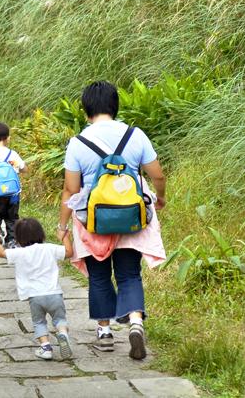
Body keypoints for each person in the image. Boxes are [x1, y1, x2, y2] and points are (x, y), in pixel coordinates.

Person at [58, 80, 167, 360]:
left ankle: (105, 333)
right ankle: (135, 323)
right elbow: (158, 175)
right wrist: (161, 197)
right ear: (116, 106)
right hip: (131, 215)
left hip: (94, 220)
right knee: (129, 273)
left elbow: (71, 189)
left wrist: (62, 227)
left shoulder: (77, 143)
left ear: (85, 110)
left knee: (98, 276)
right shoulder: (135, 135)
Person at [0, 218, 74, 361]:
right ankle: (63, 334)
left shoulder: (20, 253)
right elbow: (69, 252)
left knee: (39, 322)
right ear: (41, 233)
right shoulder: (50, 248)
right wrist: (65, 237)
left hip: (35, 297)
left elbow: (2, 253)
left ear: (19, 237)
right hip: (54, 294)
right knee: (59, 319)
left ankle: (45, 348)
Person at [0, 122, 27, 249]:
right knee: (12, 217)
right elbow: (24, 168)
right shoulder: (12, 154)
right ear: (8, 138)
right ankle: (12, 240)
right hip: (13, 194)